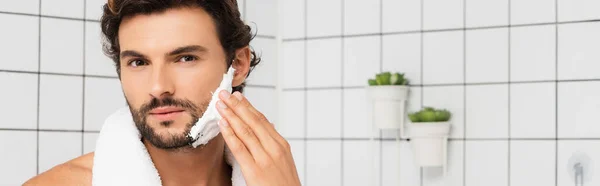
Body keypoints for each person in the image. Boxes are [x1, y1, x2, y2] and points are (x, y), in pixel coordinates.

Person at [24, 0, 300, 185]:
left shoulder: (273, 179)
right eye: (139, 62)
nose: (158, 87)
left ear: (237, 65)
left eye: (185, 58)